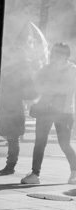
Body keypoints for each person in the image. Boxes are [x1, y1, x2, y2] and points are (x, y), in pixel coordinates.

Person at [21, 42, 76, 185]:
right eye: (55, 53)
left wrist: (50, 87)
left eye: (61, 53)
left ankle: (74, 172)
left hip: (64, 112)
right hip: (45, 111)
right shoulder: (46, 68)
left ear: (66, 55)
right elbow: (38, 86)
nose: (57, 56)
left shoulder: (71, 69)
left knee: (64, 143)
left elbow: (69, 88)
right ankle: (35, 174)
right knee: (39, 143)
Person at [0, 43, 37, 176]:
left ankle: (10, 165)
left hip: (14, 108)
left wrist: (18, 92)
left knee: (12, 139)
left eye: (12, 55)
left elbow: (33, 92)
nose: (9, 58)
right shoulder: (0, 67)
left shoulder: (23, 72)